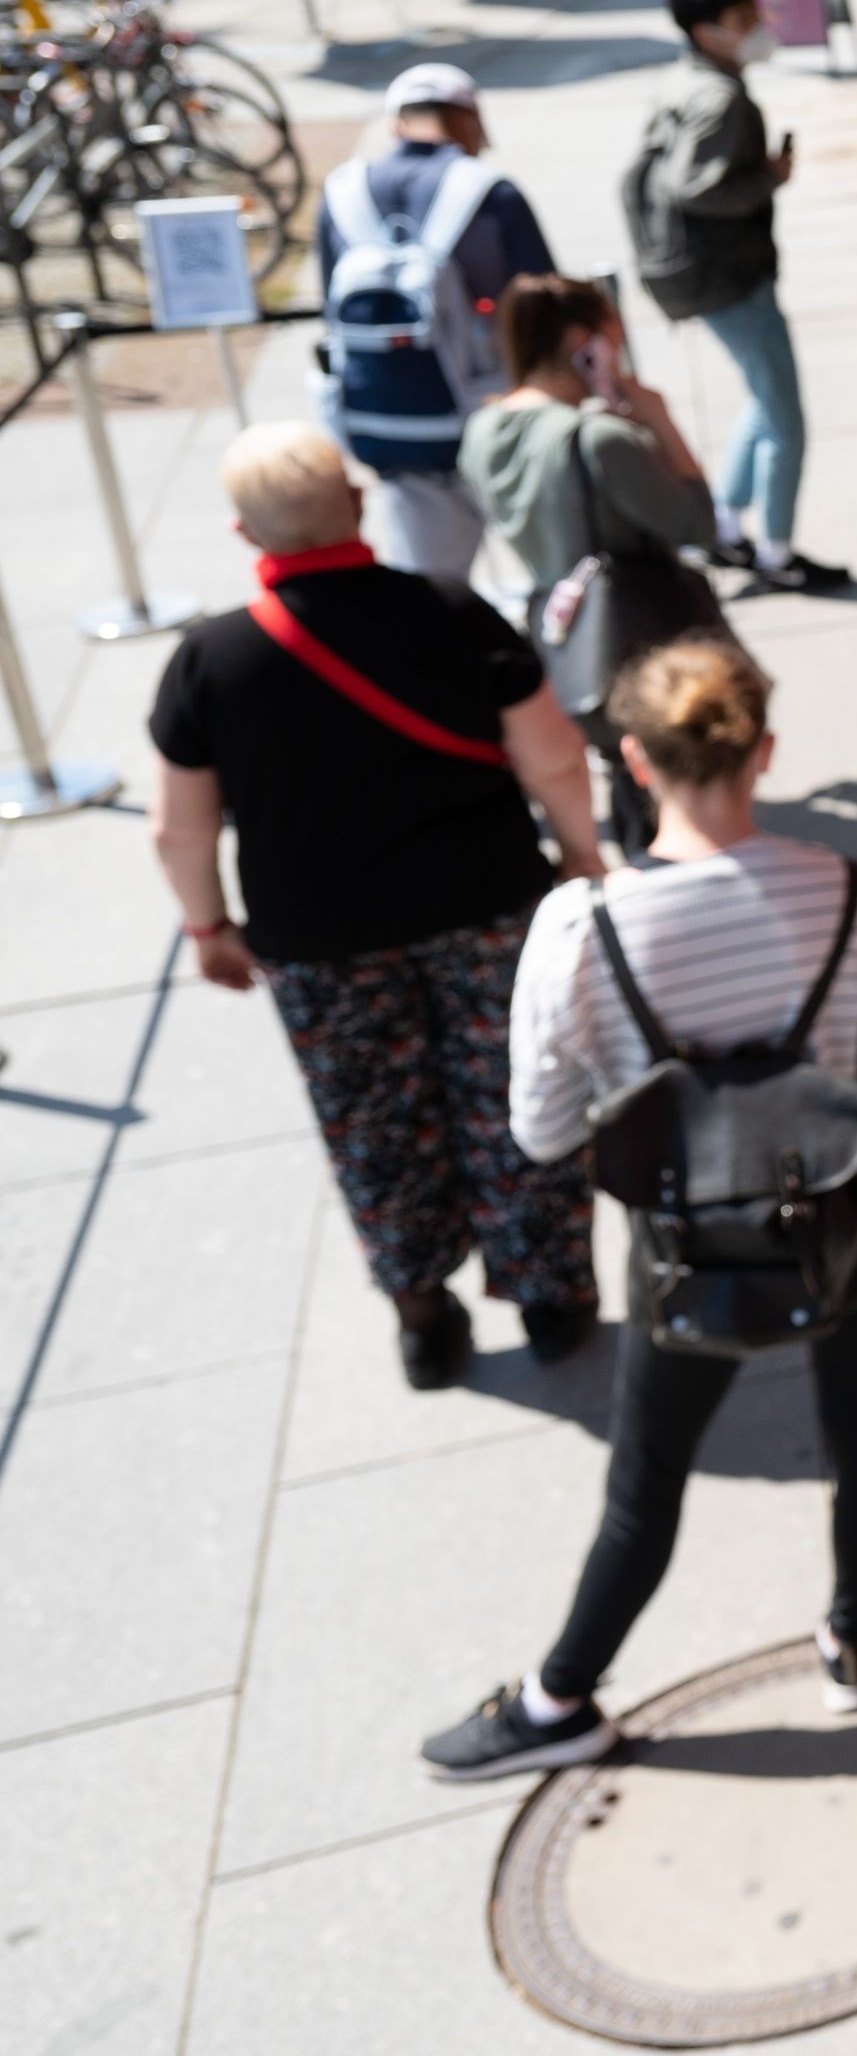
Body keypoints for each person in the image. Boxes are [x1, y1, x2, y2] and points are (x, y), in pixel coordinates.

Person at [422, 636, 857, 1778]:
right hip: (845, 1215)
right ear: (765, 753)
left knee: (646, 1481)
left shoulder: (578, 931)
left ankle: (559, 1700)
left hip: (688, 1244)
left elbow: (543, 1134)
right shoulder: (845, 892)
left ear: (635, 764)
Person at [147, 424, 607, 1389]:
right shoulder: (449, 608)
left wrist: (207, 925)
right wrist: (579, 853)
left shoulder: (210, 660)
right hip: (487, 905)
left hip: (320, 939)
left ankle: (421, 1312)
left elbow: (179, 830)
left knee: (371, 1120)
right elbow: (554, 755)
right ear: (355, 503)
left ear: (245, 533)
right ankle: (550, 1293)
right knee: (516, 1093)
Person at [463, 274, 724, 859]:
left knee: (624, 773)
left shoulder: (483, 430)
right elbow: (699, 523)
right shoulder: (601, 439)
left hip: (563, 637)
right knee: (669, 797)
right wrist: (656, 418)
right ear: (586, 342)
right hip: (639, 638)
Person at [641, 0, 848, 595]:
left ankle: (726, 526)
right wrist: (769, 178)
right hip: (730, 280)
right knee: (786, 419)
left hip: (706, 278)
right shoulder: (721, 99)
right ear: (707, 32)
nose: (757, 30)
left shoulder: (686, 83)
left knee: (764, 399)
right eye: (742, 22)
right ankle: (777, 553)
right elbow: (693, 187)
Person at [313, 62, 559, 592]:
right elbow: (546, 310)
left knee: (431, 602)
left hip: (395, 432)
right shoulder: (492, 195)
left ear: (395, 122)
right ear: (470, 120)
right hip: (498, 424)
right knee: (557, 584)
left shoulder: (340, 194)